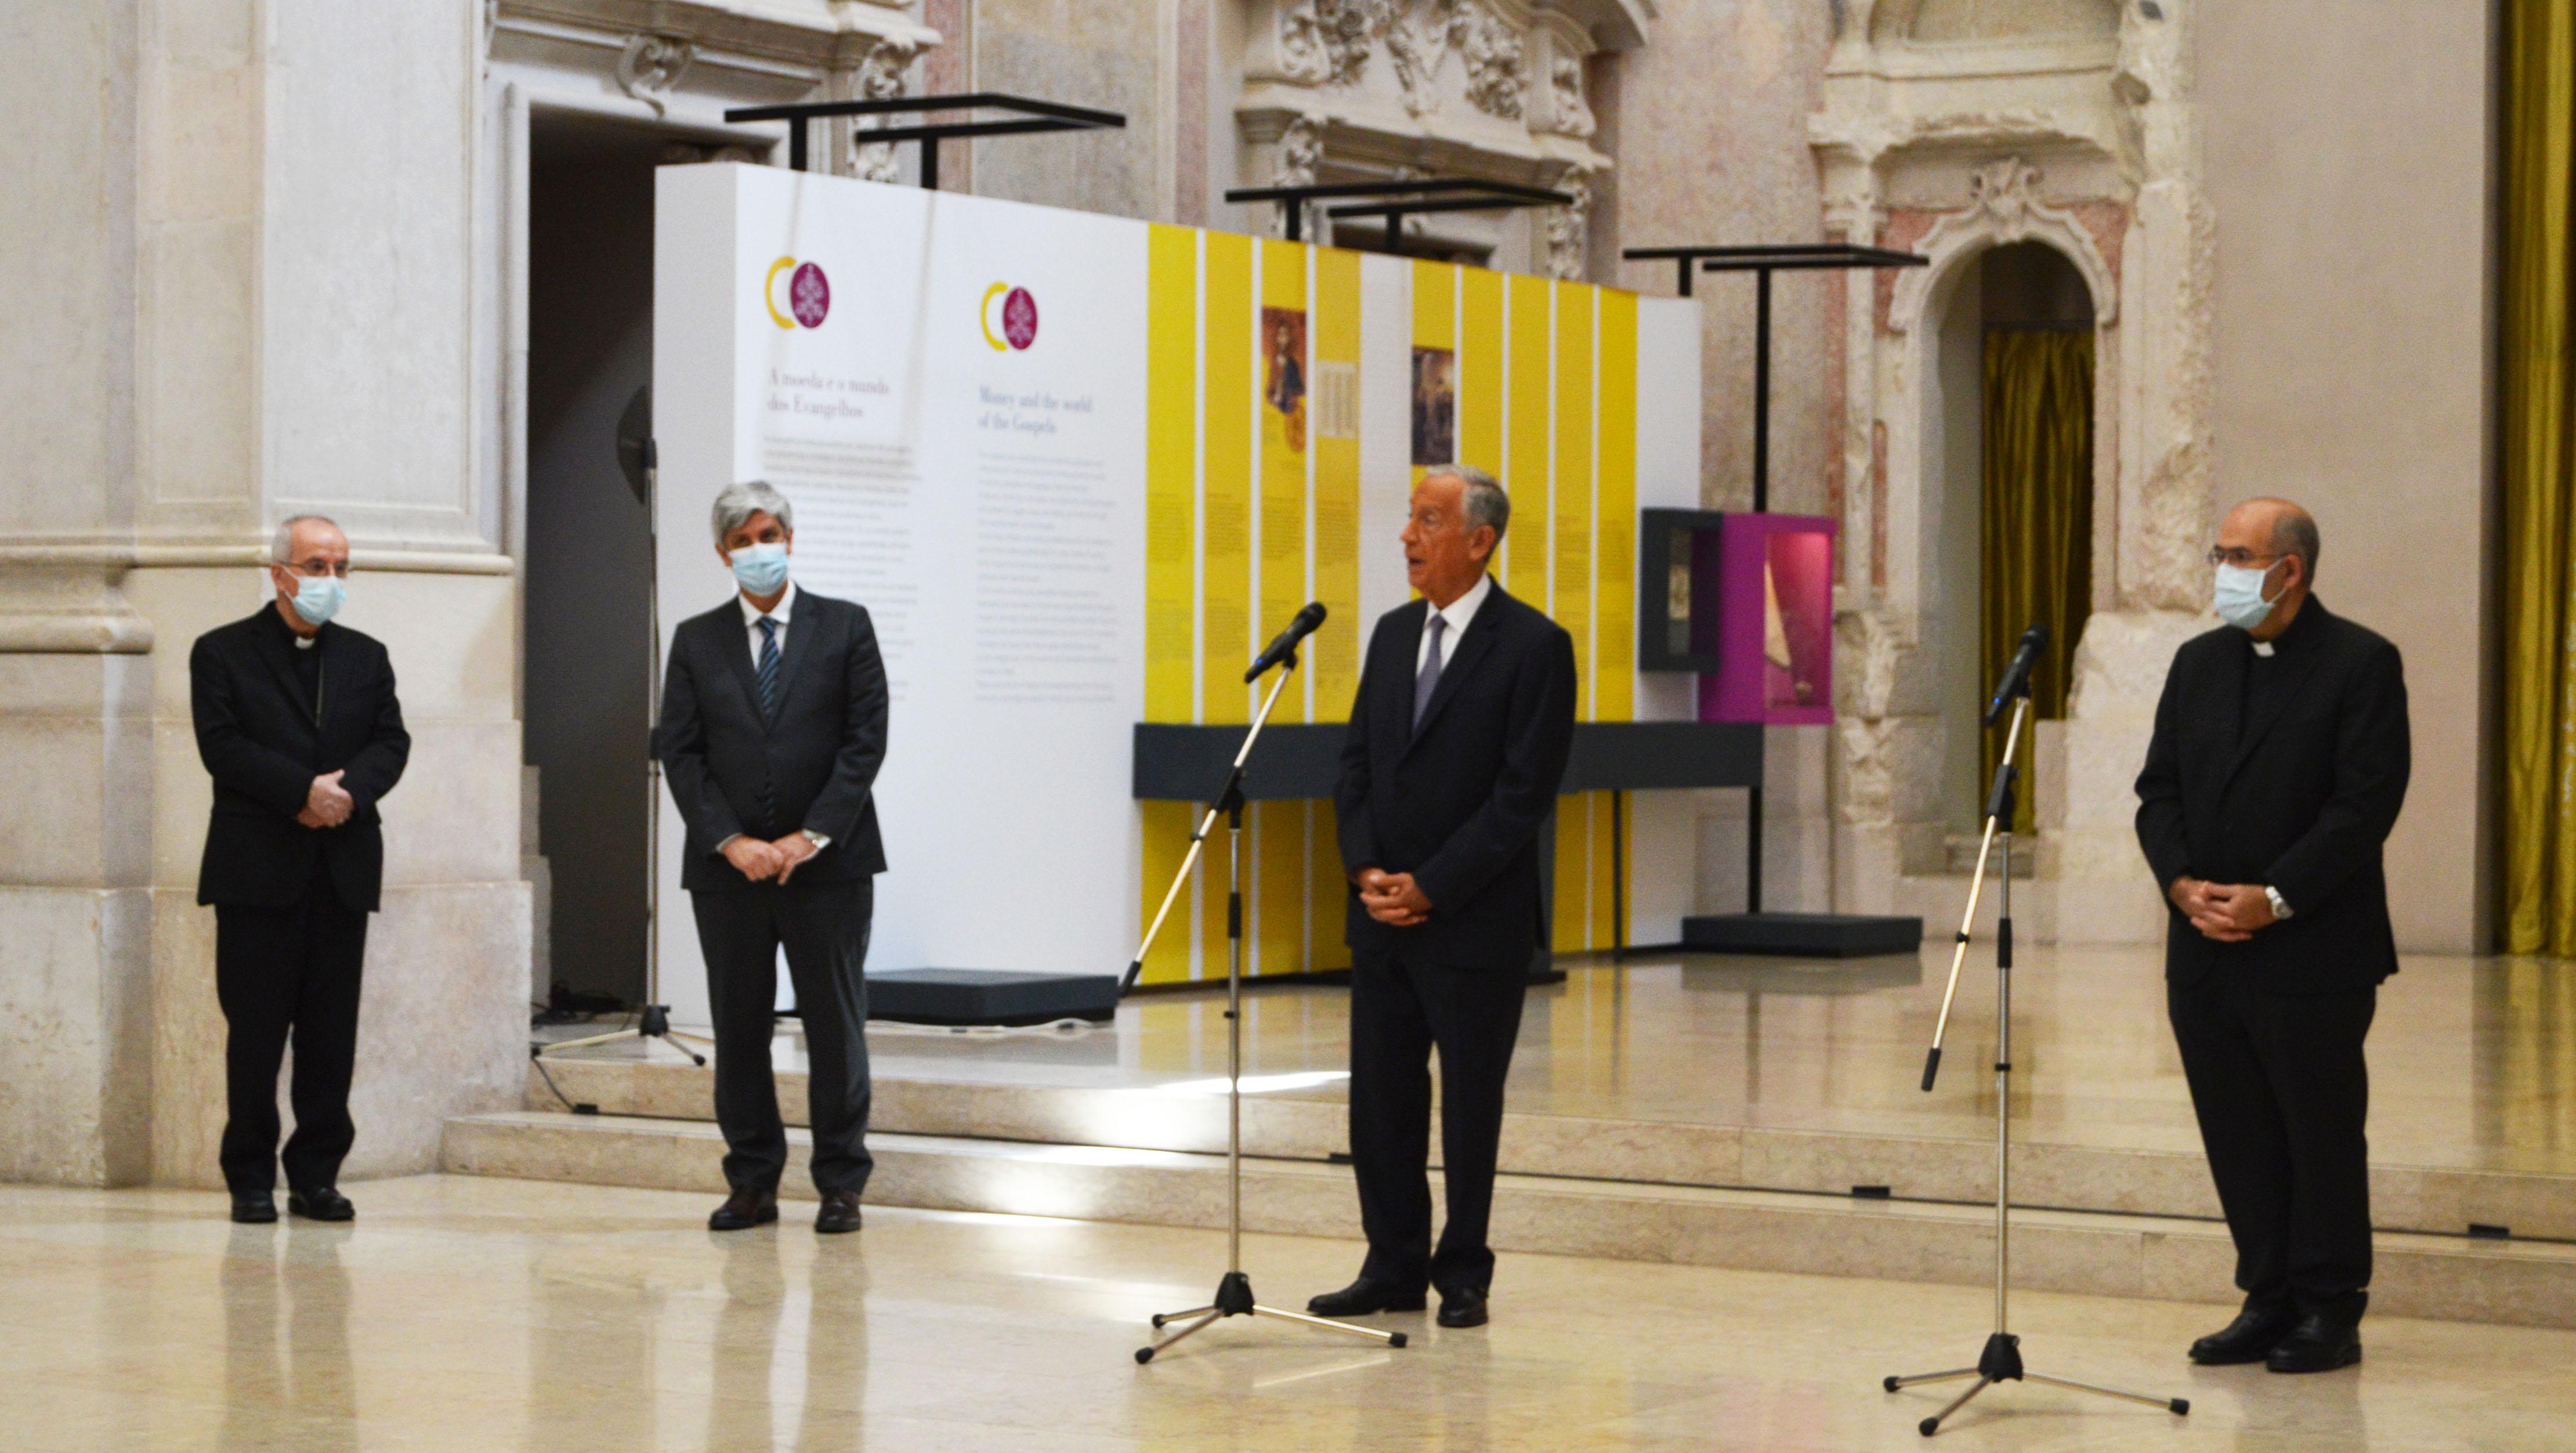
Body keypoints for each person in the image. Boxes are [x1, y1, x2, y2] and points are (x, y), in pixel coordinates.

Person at [2134, 497, 2410, 1375]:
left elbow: (2364, 805)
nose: (2223, 569)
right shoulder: (2198, 663)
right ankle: (2268, 1293)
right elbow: (2159, 792)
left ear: (2290, 570)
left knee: (2318, 1126)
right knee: (2238, 1127)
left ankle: (2330, 1305)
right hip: (2204, 947)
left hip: (2310, 950)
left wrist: (2276, 897)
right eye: (2219, 551)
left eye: (2239, 554)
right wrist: (2182, 886)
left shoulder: (2361, 662)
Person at [1309, 464, 1576, 1330]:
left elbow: (1522, 796)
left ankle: (1464, 1272)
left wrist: (1434, 885)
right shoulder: (1391, 636)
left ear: (1480, 540)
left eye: (1428, 520)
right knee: (1380, 1100)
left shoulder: (1535, 646)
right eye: (1410, 518)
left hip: (1473, 923)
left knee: (1468, 1104)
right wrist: (1367, 873)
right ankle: (1392, 1264)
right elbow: (1355, 767)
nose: (1407, 536)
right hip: (1383, 917)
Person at [656, 480, 889, 1235]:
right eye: (743, 540)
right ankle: (752, 1182)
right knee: (740, 1025)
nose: (759, 550)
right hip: (731, 875)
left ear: (791, 538)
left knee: (834, 1025)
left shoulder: (846, 627)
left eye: (769, 535)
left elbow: (864, 743)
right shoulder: (696, 639)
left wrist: (807, 836)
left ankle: (840, 1184)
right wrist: (732, 841)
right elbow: (681, 752)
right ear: (723, 553)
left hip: (830, 867)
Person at [190, 515, 410, 1224]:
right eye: (317, 566)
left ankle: (317, 1174)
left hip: (340, 865)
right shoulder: (221, 651)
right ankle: (249, 1176)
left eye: (342, 567)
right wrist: (301, 792)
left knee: (329, 1034)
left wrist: (348, 793)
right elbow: (222, 746)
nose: (331, 581)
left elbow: (391, 740)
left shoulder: (366, 655)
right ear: (280, 571)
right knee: (255, 1033)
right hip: (258, 869)